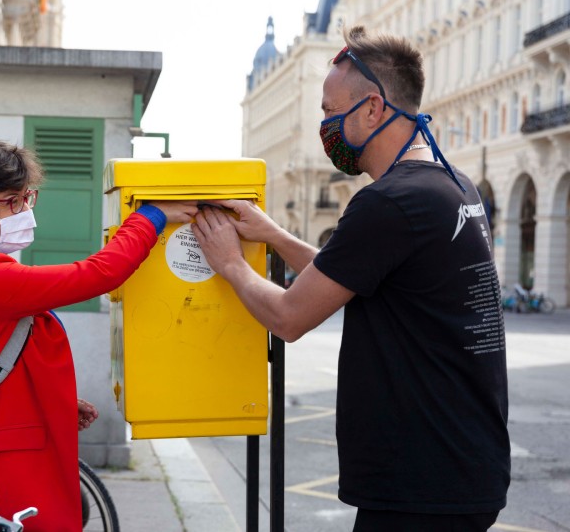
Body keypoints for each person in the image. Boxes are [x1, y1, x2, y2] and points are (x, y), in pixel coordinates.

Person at [192, 26, 510, 532]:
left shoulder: (389, 202)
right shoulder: (451, 184)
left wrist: (229, 262)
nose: (325, 126)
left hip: (419, 487)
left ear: (372, 109)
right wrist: (273, 234)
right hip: (462, 468)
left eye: (329, 111)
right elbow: (351, 271)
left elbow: (289, 317)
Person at [0, 137, 198, 531]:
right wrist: (149, 217)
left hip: (6, 452)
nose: (25, 211)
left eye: (26, 198)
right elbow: (99, 274)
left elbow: (0, 362)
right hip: (2, 468)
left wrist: (56, 403)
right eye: (11, 202)